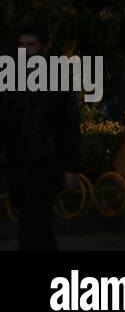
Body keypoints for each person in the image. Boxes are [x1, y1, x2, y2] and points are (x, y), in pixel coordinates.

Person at [0, 23, 82, 250]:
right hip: (18, 163)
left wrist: (72, 166)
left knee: (32, 226)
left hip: (46, 164)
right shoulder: (11, 77)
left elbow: (70, 124)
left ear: (45, 46)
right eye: (21, 45)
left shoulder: (57, 78)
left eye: (31, 45)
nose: (25, 50)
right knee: (38, 228)